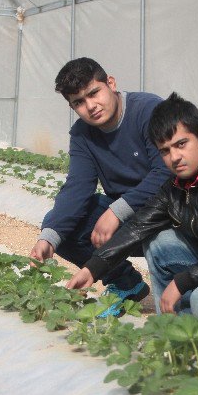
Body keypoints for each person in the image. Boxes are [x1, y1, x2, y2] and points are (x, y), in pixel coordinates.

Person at [66, 92, 198, 317]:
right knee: (159, 242)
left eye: (181, 144)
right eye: (165, 151)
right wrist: (94, 267)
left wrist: (182, 281)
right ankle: (169, 328)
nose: (175, 157)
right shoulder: (176, 184)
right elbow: (138, 226)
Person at [29, 58, 170, 312]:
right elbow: (77, 187)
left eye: (94, 93)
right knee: (63, 227)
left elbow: (166, 173)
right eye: (79, 103)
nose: (90, 106)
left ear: (111, 83)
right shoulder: (83, 134)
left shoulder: (149, 111)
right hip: (130, 221)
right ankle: (126, 283)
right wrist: (48, 238)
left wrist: (117, 211)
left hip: (171, 214)